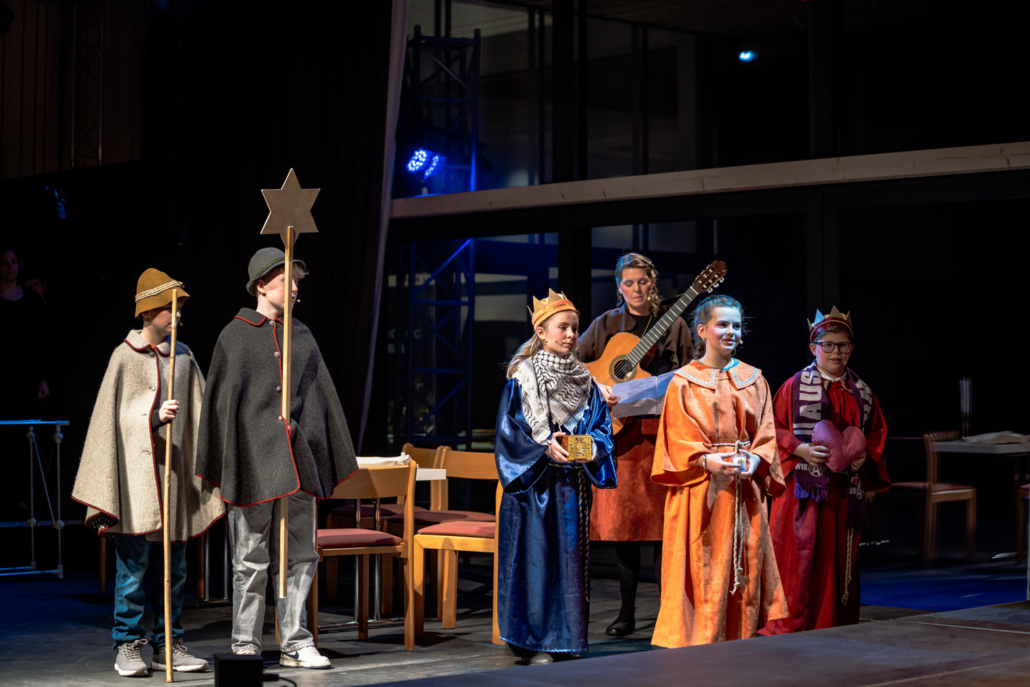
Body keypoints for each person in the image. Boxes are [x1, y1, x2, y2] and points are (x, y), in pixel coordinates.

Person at [196, 247, 358, 669]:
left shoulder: (301, 335)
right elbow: (223, 406)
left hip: (297, 462)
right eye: (288, 280)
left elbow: (319, 399)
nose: (296, 287)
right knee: (250, 558)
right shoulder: (236, 336)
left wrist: (303, 431)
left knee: (301, 555)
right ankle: (245, 642)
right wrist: (255, 436)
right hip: (254, 465)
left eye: (298, 281)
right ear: (262, 285)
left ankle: (295, 641)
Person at [72, 268, 223, 677]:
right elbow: (111, 422)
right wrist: (153, 417)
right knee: (133, 572)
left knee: (174, 573)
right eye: (172, 309)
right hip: (137, 485)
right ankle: (128, 643)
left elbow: (200, 416)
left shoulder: (184, 357)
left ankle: (168, 643)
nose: (178, 316)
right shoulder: (124, 357)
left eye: (180, 309)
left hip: (173, 483)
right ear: (149, 311)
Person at [650, 295, 787, 647]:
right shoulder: (684, 381)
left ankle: (740, 642)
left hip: (743, 490)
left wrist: (756, 459)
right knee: (703, 564)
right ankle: (699, 645)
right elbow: (675, 437)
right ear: (702, 330)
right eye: (722, 324)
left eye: (736, 326)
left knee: (743, 565)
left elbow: (767, 433)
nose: (730, 332)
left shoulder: (753, 379)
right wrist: (705, 459)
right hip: (701, 490)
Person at [495, 288, 617, 664]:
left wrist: (578, 447)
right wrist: (544, 446)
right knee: (534, 563)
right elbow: (509, 434)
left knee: (568, 565)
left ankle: (566, 639)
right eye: (562, 327)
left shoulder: (587, 384)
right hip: (534, 489)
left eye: (574, 328)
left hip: (570, 489)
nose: (570, 334)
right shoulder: (523, 380)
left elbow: (602, 433)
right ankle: (534, 642)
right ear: (542, 332)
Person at [577, 252, 692, 636]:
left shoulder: (673, 323)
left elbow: (692, 371)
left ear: (653, 282)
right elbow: (571, 364)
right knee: (625, 531)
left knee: (662, 530)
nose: (637, 289)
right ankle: (626, 614)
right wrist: (598, 383)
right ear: (618, 286)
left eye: (643, 281)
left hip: (660, 434)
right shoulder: (606, 324)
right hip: (621, 438)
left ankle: (667, 613)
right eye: (629, 282)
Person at [762, 307, 889, 634]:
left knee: (840, 560)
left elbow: (875, 432)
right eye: (828, 345)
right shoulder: (794, 386)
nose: (835, 352)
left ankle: (837, 625)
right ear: (813, 348)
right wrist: (800, 449)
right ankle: (793, 627)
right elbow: (771, 428)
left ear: (851, 349)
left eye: (842, 345)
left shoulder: (862, 391)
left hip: (844, 491)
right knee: (801, 560)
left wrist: (863, 456)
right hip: (803, 492)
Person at [0, 246, 50, 419]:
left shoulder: (32, 300)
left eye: (13, 262)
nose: (10, 267)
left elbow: (42, 340)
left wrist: (43, 379)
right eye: (5, 263)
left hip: (28, 375)